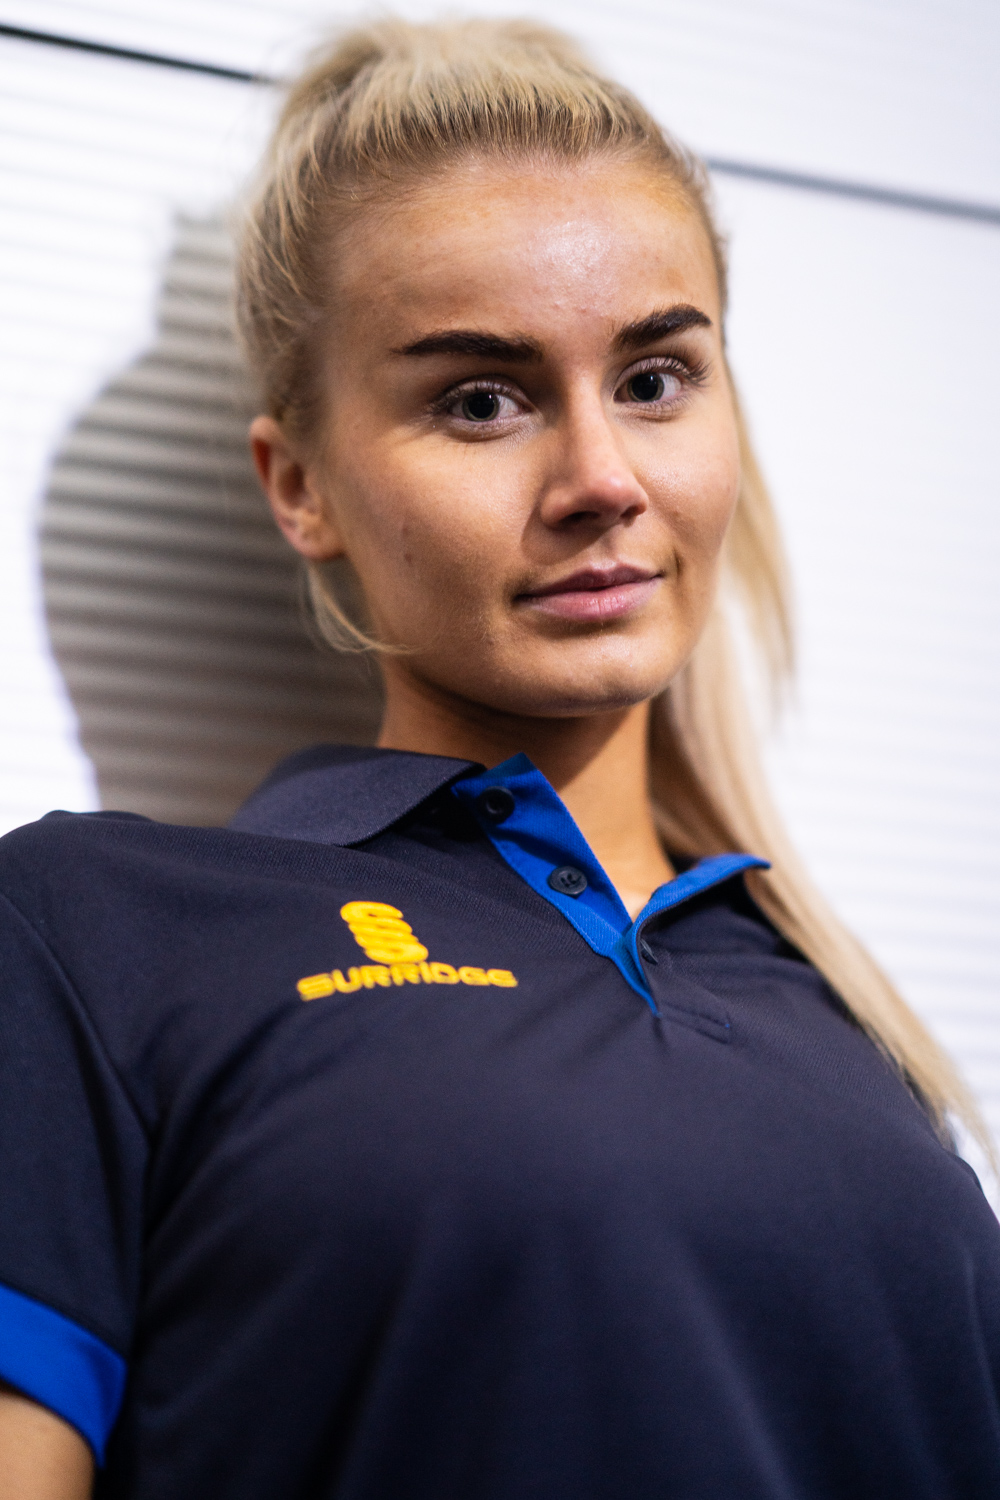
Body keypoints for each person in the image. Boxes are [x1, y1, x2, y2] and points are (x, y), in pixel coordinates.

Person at [1, 18, 999, 1499]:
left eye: (655, 379)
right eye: (482, 399)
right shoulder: (93, 933)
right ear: (300, 486)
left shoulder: (842, 1025)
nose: (602, 479)